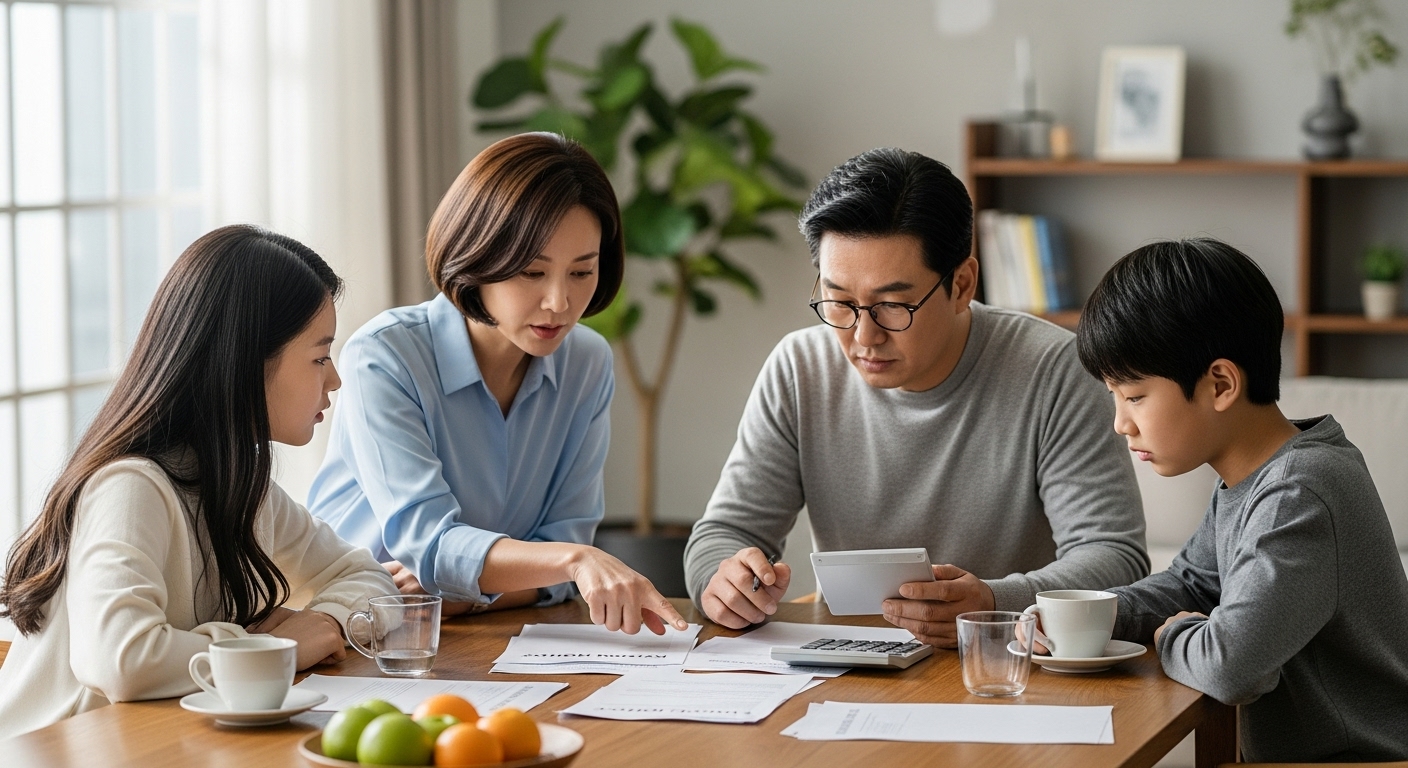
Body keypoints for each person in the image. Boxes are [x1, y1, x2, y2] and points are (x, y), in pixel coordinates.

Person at [684, 147, 1148, 646]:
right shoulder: (800, 368)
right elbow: (723, 534)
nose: (864, 336)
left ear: (961, 284)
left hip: (1004, 662)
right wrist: (723, 581)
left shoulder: (1054, 370)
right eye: (840, 301)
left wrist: (993, 603)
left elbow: (1113, 556)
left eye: (892, 305)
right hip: (846, 661)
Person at [0, 225, 397, 739]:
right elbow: (121, 660)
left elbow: (368, 578)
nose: (335, 379)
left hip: (151, 744)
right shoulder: (131, 485)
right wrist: (275, 648)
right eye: (320, 357)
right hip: (58, 750)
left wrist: (323, 623)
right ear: (246, 362)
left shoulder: (239, 486)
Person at [309, 133, 687, 636]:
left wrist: (467, 596)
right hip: (354, 631)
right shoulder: (384, 355)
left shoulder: (587, 362)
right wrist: (569, 561)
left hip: (485, 634)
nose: (559, 302)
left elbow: (562, 549)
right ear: (477, 257)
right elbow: (432, 546)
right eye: (532, 272)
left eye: (581, 272)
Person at [1075, 238, 1408, 762]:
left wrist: (1174, 634)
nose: (1121, 423)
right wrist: (1089, 614)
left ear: (1221, 384)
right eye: (1114, 397)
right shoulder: (1255, 478)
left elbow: (1230, 667)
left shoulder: (1298, 492)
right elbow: (1191, 583)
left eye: (1134, 396)